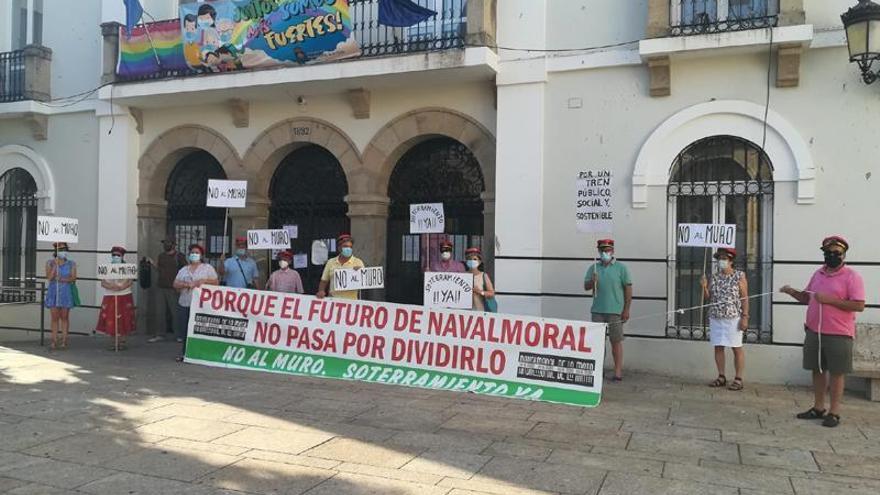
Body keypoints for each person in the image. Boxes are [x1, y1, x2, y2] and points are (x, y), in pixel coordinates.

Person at [781, 235, 865, 428]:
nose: (832, 256)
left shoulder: (852, 276)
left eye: (837, 253)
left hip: (839, 333)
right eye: (828, 253)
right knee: (817, 369)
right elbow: (807, 298)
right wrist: (790, 291)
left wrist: (830, 300)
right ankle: (818, 407)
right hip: (814, 330)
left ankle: (834, 412)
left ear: (844, 255)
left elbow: (859, 305)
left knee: (837, 372)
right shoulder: (818, 274)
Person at [584, 239, 632, 382]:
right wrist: (592, 281)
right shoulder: (593, 268)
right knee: (598, 343)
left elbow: (628, 289)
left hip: (615, 311)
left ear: (612, 251)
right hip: (598, 310)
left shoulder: (621, 268)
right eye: (603, 250)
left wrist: (626, 309)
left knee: (616, 341)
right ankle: (599, 369)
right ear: (599, 251)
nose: (605, 253)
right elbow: (586, 287)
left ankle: (617, 371)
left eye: (608, 250)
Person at [701, 247, 749, 391]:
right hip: (716, 316)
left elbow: (745, 298)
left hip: (733, 317)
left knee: (736, 347)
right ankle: (721, 376)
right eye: (719, 259)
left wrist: (745, 317)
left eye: (724, 259)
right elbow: (708, 298)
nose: (721, 261)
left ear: (731, 261)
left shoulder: (739, 276)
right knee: (718, 347)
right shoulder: (715, 277)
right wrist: (704, 287)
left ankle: (738, 378)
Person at [173, 244, 219, 362]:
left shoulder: (207, 268)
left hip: (201, 305)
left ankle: (201, 353)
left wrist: (203, 281)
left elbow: (216, 282)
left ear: (201, 255)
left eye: (196, 253)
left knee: (200, 329)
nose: (194, 254)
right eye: (192, 252)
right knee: (185, 329)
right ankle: (185, 353)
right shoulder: (183, 270)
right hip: (185, 302)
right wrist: (186, 284)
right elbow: (175, 284)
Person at [96, 246, 136, 350]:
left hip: (124, 295)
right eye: (113, 255)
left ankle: (122, 341)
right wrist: (112, 287)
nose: (115, 257)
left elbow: (130, 281)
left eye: (118, 255)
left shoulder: (127, 268)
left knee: (124, 317)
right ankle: (114, 341)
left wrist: (122, 287)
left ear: (122, 256)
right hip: (110, 295)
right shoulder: (107, 268)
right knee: (111, 318)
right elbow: (103, 282)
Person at [152, 239, 186, 343]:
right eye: (164, 243)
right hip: (161, 287)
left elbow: (185, 270)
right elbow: (159, 269)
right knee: (160, 312)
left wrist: (181, 286)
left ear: (174, 245)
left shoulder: (180, 256)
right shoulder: (161, 256)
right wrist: (152, 264)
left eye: (168, 243)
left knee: (175, 312)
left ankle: (178, 335)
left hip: (173, 288)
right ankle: (160, 334)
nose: (166, 245)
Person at [45, 242, 77, 351]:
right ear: (56, 252)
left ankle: (64, 340)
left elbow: (73, 278)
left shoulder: (71, 264)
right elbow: (49, 277)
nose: (64, 251)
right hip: (54, 292)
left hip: (65, 292)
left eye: (65, 249)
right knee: (54, 317)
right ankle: (54, 340)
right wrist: (55, 266)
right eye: (61, 250)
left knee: (64, 317)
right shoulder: (49, 263)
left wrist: (63, 279)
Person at [317, 234, 365, 299]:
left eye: (350, 247)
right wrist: (321, 291)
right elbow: (324, 280)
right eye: (345, 246)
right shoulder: (331, 262)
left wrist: (360, 272)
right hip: (334, 300)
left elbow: (364, 282)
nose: (348, 249)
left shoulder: (358, 262)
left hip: (352, 302)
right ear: (339, 248)